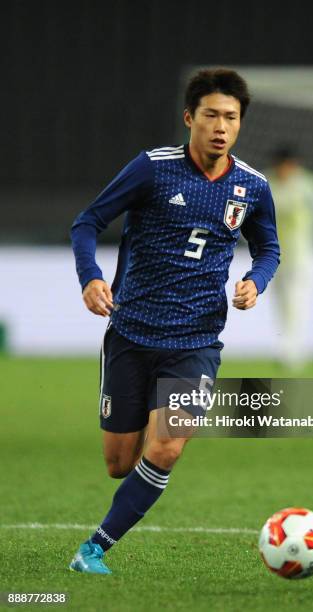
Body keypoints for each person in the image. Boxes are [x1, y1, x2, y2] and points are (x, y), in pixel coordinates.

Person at [69, 68, 280, 574]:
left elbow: (269, 246)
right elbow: (88, 222)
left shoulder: (251, 186)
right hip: (131, 333)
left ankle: (94, 548)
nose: (221, 126)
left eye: (231, 117)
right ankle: (144, 427)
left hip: (197, 340)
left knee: (166, 447)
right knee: (120, 464)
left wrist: (257, 280)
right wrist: (91, 277)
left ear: (240, 124)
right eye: (211, 115)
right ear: (190, 118)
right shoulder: (153, 169)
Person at [264, 146, 313, 371]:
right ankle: (286, 347)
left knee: (296, 300)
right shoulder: (266, 184)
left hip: (302, 256)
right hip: (272, 256)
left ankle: (292, 351)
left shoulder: (309, 185)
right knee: (281, 303)